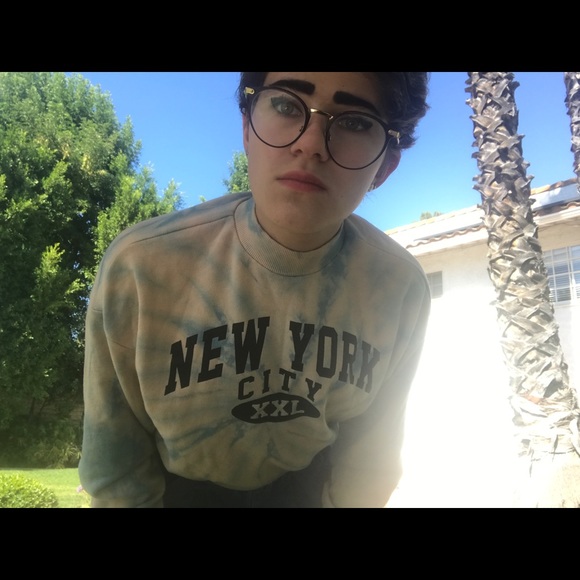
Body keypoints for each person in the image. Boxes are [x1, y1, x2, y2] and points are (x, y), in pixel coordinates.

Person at [78, 72, 431, 508]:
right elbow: (115, 468)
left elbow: (369, 463)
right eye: (286, 105)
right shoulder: (140, 266)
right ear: (246, 126)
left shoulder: (398, 288)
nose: (311, 144)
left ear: (386, 165)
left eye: (355, 122)